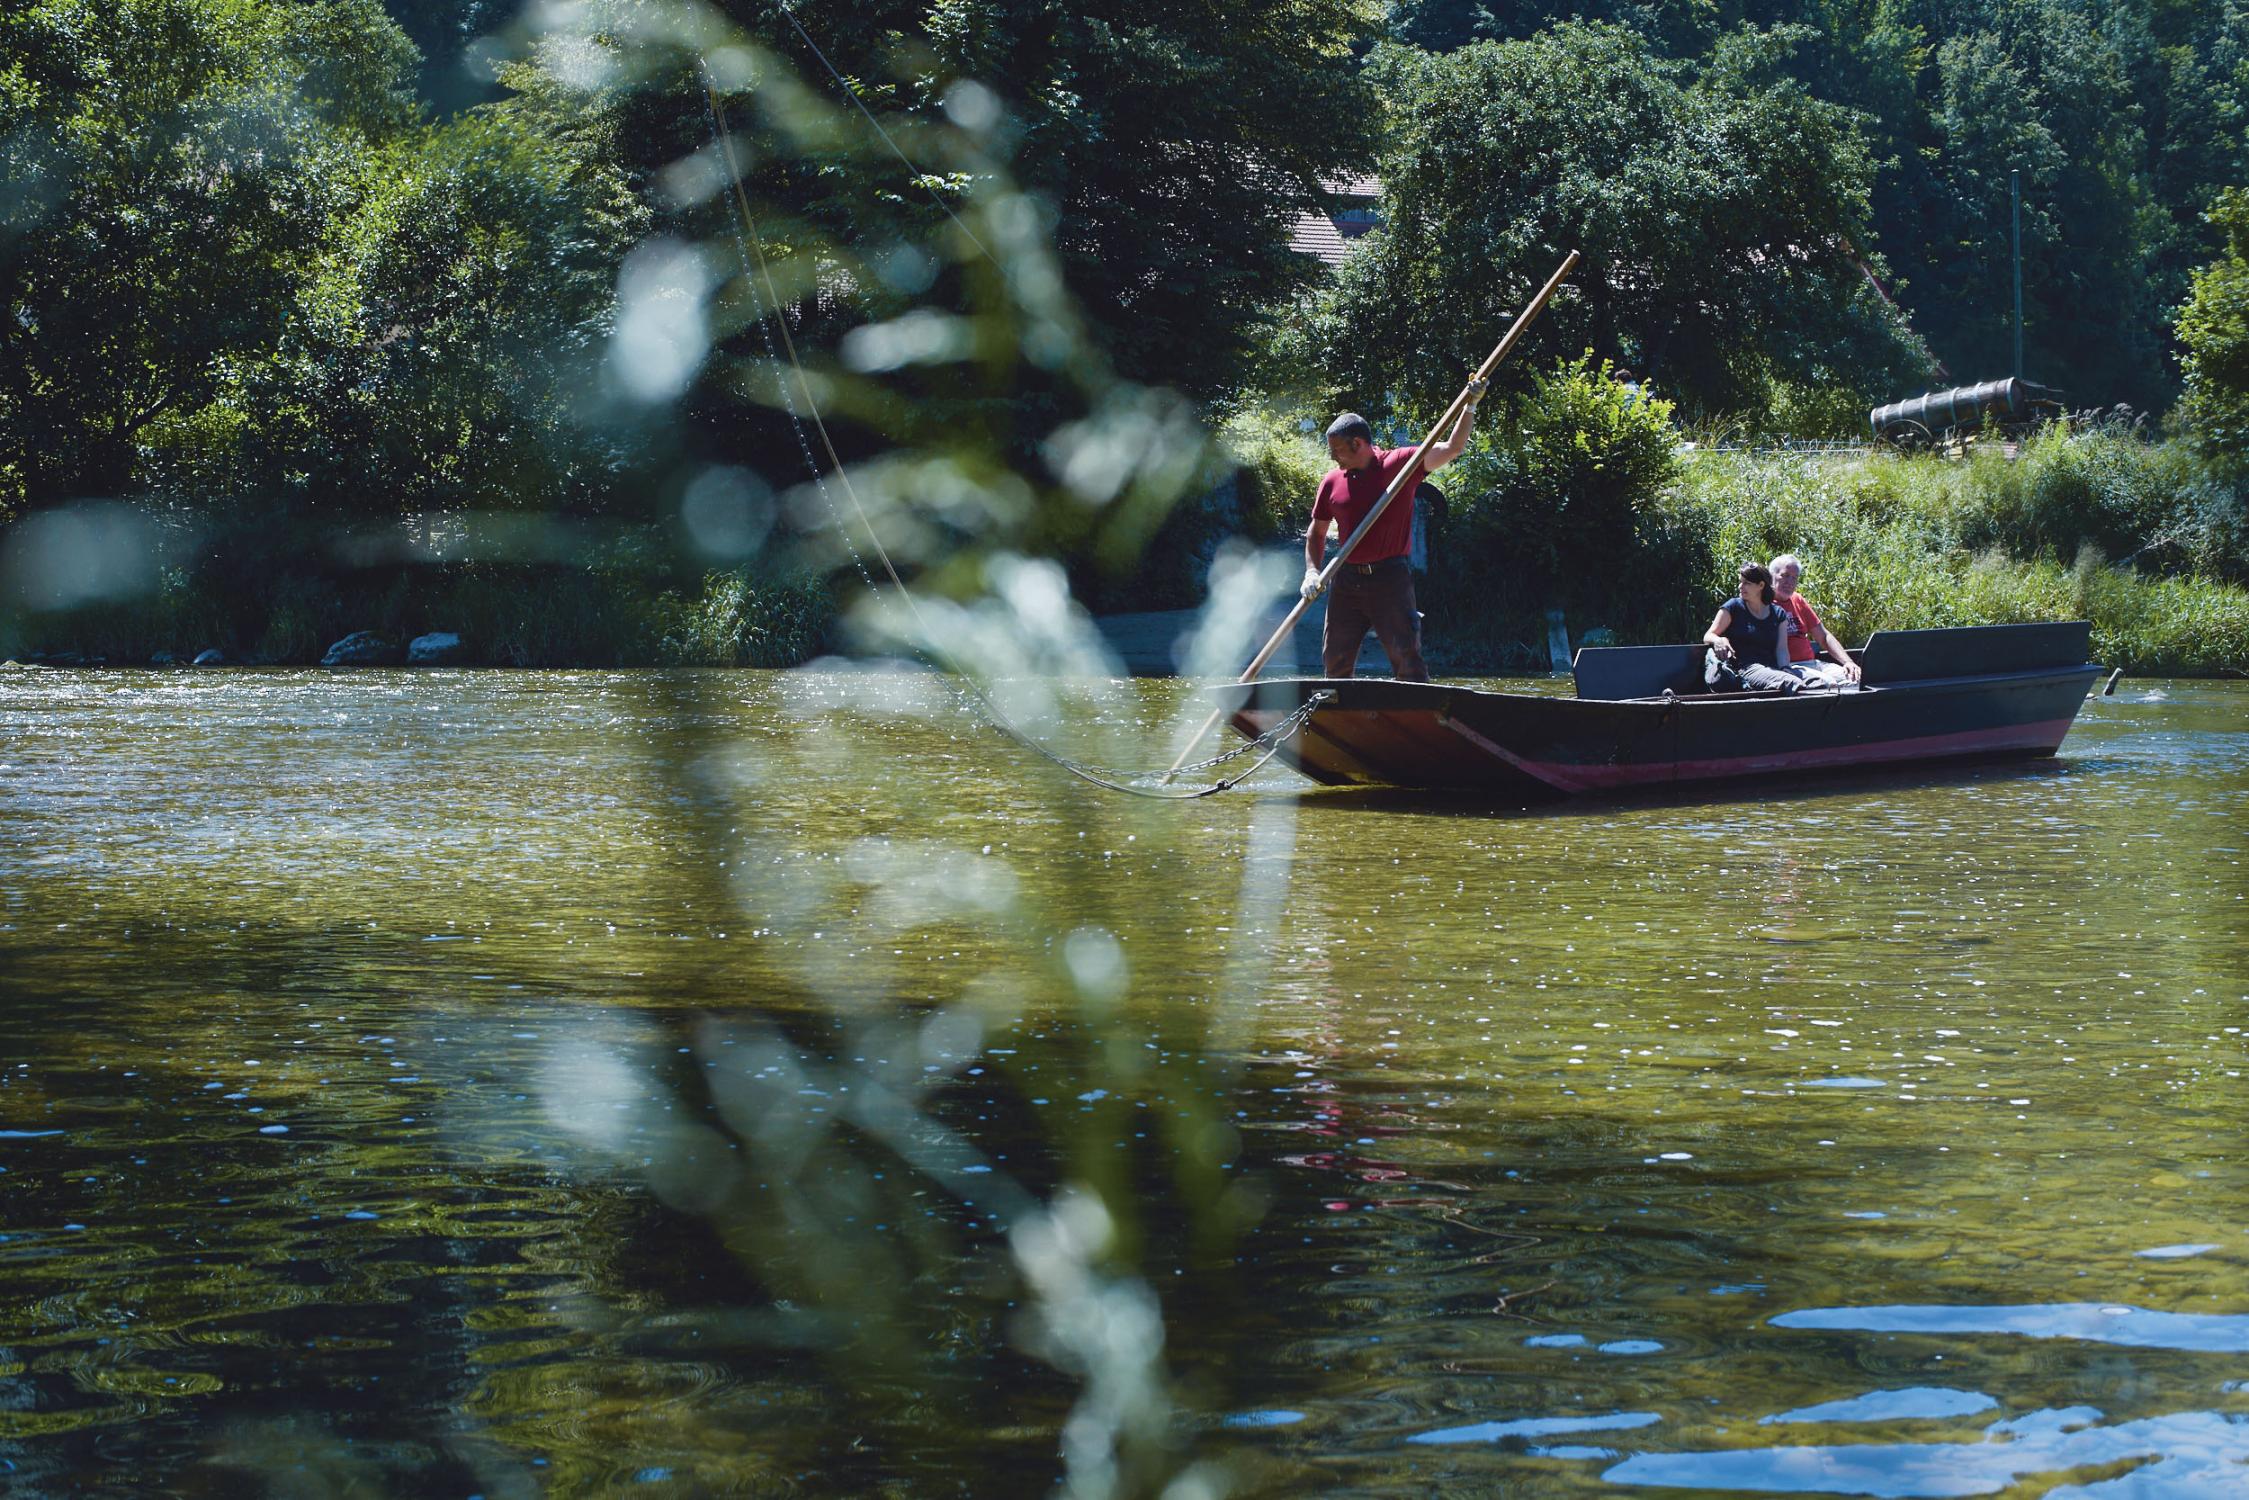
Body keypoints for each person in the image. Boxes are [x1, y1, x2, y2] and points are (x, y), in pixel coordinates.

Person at [1301, 381, 1485, 680]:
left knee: (1406, 657)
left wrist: (1470, 406)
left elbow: (1453, 447)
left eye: (1336, 450)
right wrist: (1312, 571)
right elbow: (1316, 532)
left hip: (1389, 578)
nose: (1332, 457)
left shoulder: (1401, 464)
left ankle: (1419, 717)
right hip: (1346, 580)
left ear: (1358, 443)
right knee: (1335, 659)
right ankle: (1339, 719)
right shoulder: (1332, 481)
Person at [1702, 562, 1799, 693]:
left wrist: (1786, 668)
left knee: (1819, 683)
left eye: (1746, 583)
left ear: (1761, 585)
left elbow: (1781, 650)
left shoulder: (1778, 614)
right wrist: (1719, 640)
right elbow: (1708, 635)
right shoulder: (1733, 607)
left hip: (1772, 669)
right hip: (1745, 669)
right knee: (1791, 682)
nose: (1740, 587)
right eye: (1740, 582)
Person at [1769, 553, 1862, 686]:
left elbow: (1823, 636)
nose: (1790, 582)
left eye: (1794, 578)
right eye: (1785, 576)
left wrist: (1848, 662)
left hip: (1813, 663)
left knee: (1857, 678)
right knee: (1829, 684)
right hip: (1789, 667)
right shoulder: (1763, 605)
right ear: (1771, 576)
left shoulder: (1797, 599)